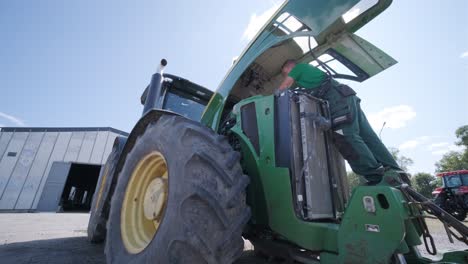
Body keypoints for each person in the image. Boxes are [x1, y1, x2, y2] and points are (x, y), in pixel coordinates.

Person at [278, 59, 402, 184]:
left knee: (346, 136)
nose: (285, 75)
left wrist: (273, 99)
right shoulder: (307, 76)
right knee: (368, 137)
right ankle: (396, 173)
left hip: (338, 100)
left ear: (290, 68)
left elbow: (284, 87)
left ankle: (375, 176)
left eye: (285, 73)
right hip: (347, 97)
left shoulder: (299, 68)